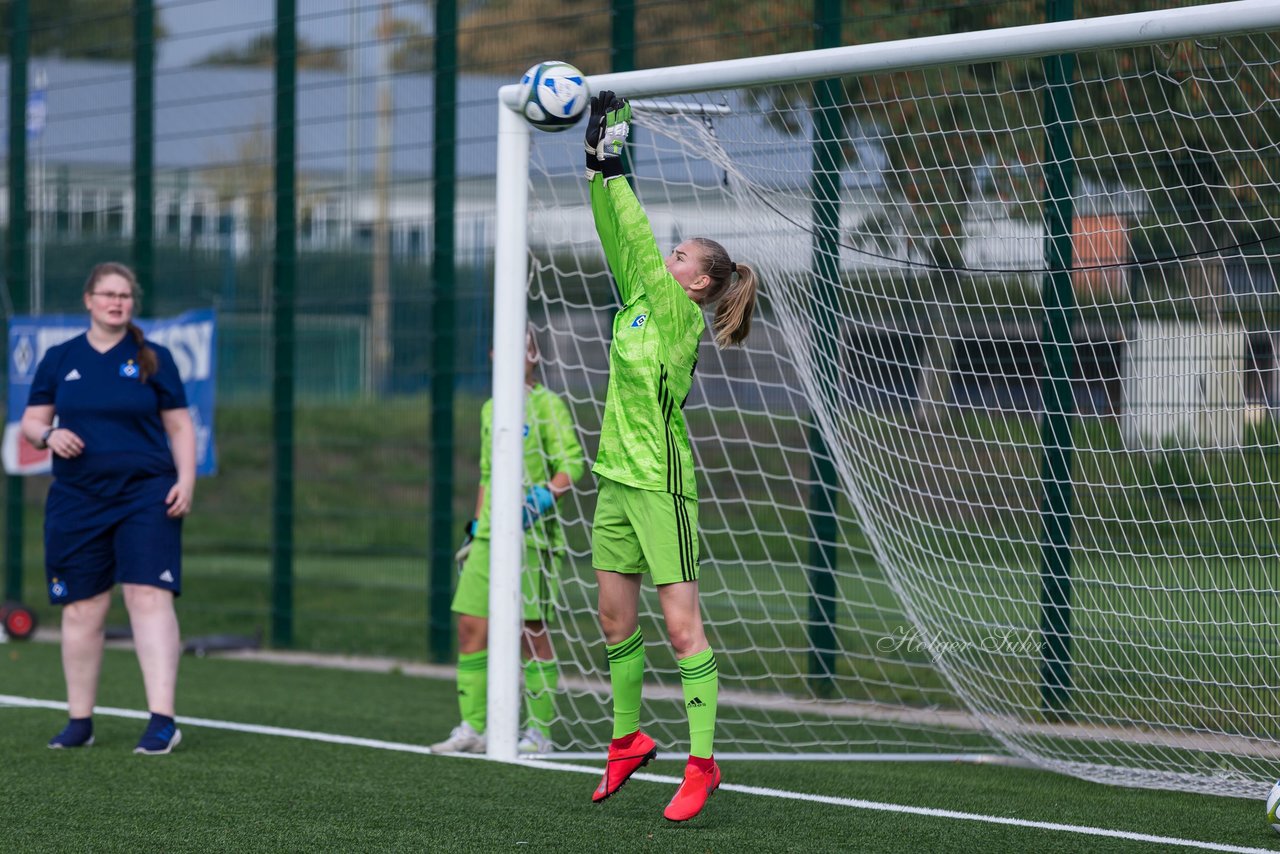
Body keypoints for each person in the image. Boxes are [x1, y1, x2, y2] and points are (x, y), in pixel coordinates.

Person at [582, 92, 759, 821]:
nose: (668, 254)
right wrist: (595, 163)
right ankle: (626, 740)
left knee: (682, 626)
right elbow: (613, 227)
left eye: (681, 255)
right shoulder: (642, 302)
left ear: (701, 283)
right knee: (613, 619)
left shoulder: (680, 313)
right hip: (617, 479)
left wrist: (616, 159)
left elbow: (631, 221)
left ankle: (703, 763)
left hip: (662, 482)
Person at [22, 262, 196, 755]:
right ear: (88, 299)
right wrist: (51, 434)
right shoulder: (60, 359)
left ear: (131, 304)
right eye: (107, 294)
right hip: (77, 500)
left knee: (148, 595)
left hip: (146, 493)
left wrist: (186, 481)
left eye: (124, 296)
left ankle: (162, 720)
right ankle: (80, 721)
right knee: (82, 608)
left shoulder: (153, 358)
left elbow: (180, 427)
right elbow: (31, 424)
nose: (116, 303)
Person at [430, 326, 586, 756]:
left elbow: (572, 464)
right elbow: (486, 474)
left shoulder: (548, 405)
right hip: (489, 537)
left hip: (532, 538)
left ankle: (538, 734)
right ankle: (473, 727)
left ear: (535, 355)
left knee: (529, 630)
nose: (515, 352)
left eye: (525, 345)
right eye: (506, 344)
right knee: (469, 624)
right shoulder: (490, 410)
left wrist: (541, 497)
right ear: (494, 353)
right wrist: (477, 527)